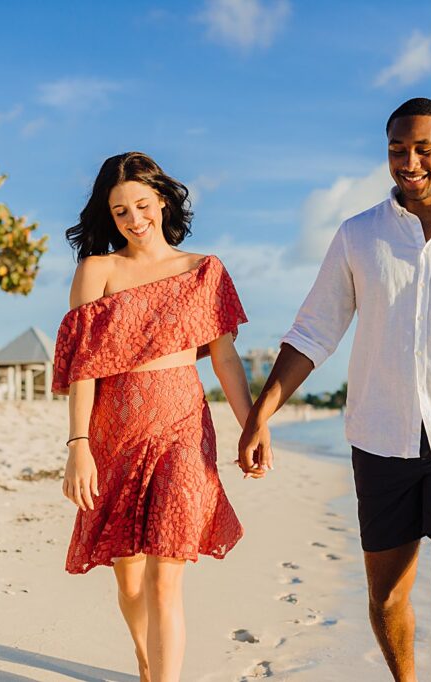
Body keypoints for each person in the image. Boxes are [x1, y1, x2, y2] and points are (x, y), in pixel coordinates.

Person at [238, 98, 431, 682]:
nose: (409, 162)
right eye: (396, 150)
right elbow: (313, 330)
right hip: (380, 436)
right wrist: (261, 413)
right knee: (387, 598)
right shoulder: (358, 235)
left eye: (423, 149)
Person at [53, 152, 254, 682]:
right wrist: (78, 445)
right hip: (114, 432)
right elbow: (82, 370)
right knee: (130, 579)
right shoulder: (97, 270)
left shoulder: (203, 272)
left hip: (184, 427)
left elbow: (226, 358)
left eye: (142, 205)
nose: (134, 219)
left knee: (167, 574)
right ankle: (146, 660)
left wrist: (253, 425)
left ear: (162, 200)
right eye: (120, 211)